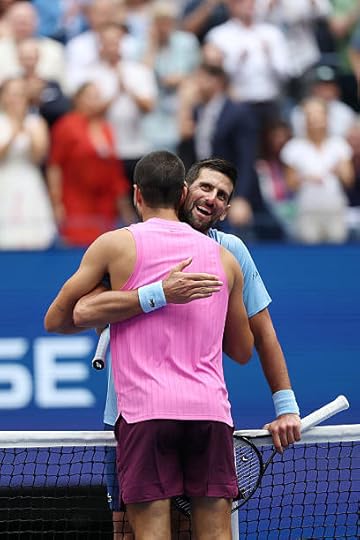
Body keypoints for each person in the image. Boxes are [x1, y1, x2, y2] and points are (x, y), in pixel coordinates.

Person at [45, 150, 255, 539]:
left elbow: (57, 318)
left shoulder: (114, 246)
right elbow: (242, 351)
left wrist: (137, 300)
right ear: (183, 194)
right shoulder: (226, 260)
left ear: (137, 193)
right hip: (209, 413)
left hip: (146, 415)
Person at [47, 81, 134, 247]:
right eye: (90, 96)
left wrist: (124, 207)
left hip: (104, 205)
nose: (95, 101)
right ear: (78, 99)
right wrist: (56, 202)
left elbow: (114, 172)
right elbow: (54, 165)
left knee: (104, 247)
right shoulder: (67, 125)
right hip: (75, 201)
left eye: (98, 97)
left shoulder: (106, 128)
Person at [0, 77, 56, 249]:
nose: (17, 99)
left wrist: (29, 133)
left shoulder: (35, 122)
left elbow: (39, 157)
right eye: (12, 94)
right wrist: (14, 131)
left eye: (21, 95)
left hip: (29, 178)